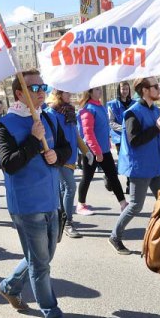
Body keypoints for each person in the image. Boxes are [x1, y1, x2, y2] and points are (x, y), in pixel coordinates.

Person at [0, 69, 70, 318]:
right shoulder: (5, 125)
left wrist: (57, 155)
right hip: (27, 205)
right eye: (35, 88)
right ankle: (51, 310)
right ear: (20, 93)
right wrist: (34, 141)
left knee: (43, 256)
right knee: (41, 264)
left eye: (43, 87)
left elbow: (66, 148)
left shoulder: (48, 118)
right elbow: (9, 164)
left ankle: (9, 286)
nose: (41, 92)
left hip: (51, 198)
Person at [109, 77, 160, 254]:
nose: (158, 89)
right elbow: (134, 140)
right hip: (140, 167)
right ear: (144, 90)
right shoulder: (132, 112)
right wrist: (156, 129)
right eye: (155, 87)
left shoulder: (155, 110)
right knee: (135, 205)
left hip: (156, 166)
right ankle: (115, 236)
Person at [46, 89, 93, 239]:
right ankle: (68, 223)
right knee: (70, 187)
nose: (70, 94)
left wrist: (86, 151)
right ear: (58, 94)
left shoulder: (70, 111)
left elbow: (76, 135)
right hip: (60, 158)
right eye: (67, 92)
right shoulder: (51, 113)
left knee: (62, 190)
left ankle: (60, 218)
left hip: (71, 157)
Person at [76, 87, 127, 216]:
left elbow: (103, 129)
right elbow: (88, 133)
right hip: (91, 151)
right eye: (97, 90)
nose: (100, 92)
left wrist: (105, 146)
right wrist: (96, 151)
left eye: (100, 89)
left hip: (104, 150)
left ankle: (123, 203)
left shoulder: (100, 106)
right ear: (90, 92)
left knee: (113, 176)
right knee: (87, 177)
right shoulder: (88, 109)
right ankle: (81, 205)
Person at [107, 81, 136, 194]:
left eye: (126, 89)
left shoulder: (134, 103)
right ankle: (109, 178)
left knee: (131, 161)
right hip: (119, 138)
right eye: (122, 89)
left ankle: (130, 185)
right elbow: (111, 122)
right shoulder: (112, 104)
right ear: (118, 90)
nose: (124, 91)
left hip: (131, 137)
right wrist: (124, 129)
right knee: (122, 162)